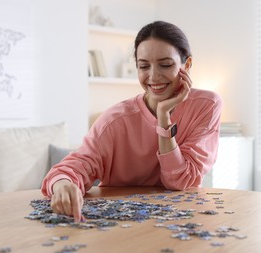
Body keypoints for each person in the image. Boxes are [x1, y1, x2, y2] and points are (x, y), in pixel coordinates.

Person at [41, 21, 223, 222]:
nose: (153, 76)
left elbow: (178, 181)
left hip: (182, 218)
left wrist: (164, 119)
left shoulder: (207, 105)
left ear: (186, 65)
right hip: (120, 223)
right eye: (144, 66)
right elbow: (75, 166)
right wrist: (62, 184)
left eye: (165, 64)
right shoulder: (114, 120)